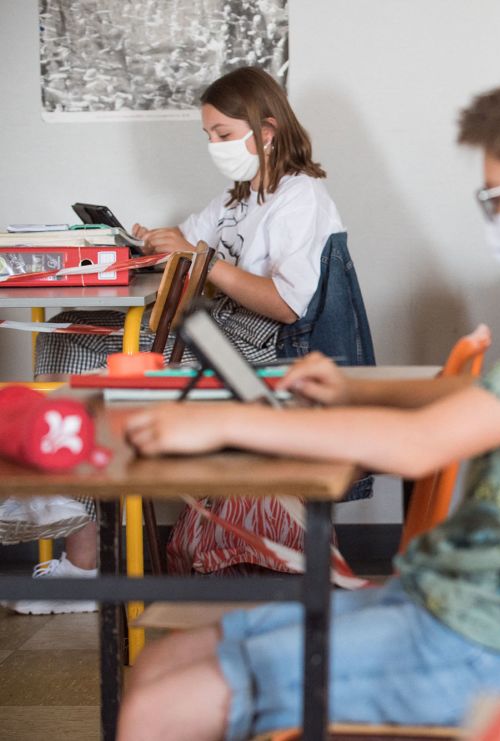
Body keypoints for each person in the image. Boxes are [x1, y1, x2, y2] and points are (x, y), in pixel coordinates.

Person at [117, 59, 500, 740]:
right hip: (447, 598)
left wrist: (222, 422)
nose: (492, 220)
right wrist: (352, 386)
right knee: (165, 663)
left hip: (480, 639)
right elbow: (492, 399)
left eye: (497, 198)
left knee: (160, 701)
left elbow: (421, 444)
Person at [1, 66, 345, 615]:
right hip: (219, 330)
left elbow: (287, 304)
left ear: (268, 129)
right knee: (68, 328)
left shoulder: (297, 198)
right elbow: (186, 247)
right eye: (207, 135)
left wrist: (201, 260)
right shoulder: (237, 199)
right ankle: (73, 518)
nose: (214, 145)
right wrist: (151, 246)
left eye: (224, 134)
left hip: (257, 349)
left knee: (76, 348)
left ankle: (81, 543)